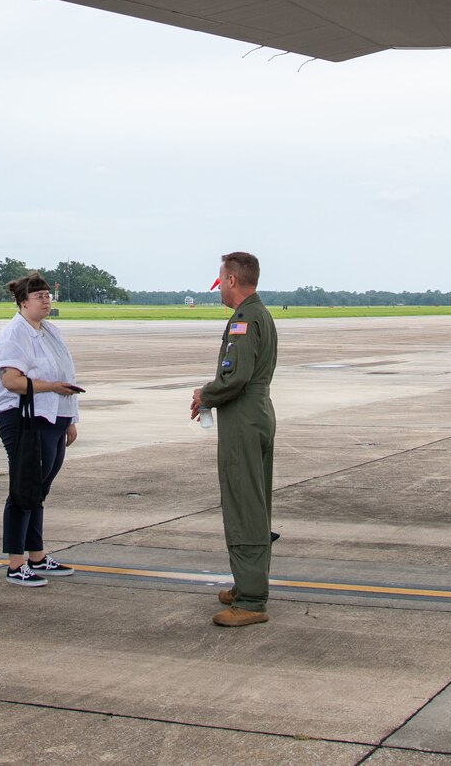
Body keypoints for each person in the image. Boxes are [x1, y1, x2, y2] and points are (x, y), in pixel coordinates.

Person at [190, 251, 277, 628]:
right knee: (253, 501)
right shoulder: (261, 314)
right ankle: (246, 586)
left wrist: (204, 395)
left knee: (244, 505)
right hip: (256, 412)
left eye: (220, 278)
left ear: (230, 280)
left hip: (242, 415)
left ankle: (252, 600)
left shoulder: (244, 319)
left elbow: (234, 378)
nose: (218, 286)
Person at [0, 272, 80, 586]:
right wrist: (53, 387)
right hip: (24, 418)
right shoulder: (14, 335)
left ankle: (37, 556)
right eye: (39, 296)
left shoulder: (49, 331)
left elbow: (66, 373)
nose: (46, 300)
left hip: (53, 417)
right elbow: (11, 381)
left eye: (47, 295)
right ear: (22, 302)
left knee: (39, 489)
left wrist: (70, 420)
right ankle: (16, 564)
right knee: (23, 488)